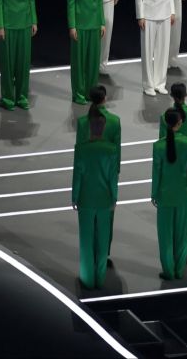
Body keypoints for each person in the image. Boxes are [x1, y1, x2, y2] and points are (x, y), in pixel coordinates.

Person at [72, 105, 119, 289]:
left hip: (85, 199)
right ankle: (99, 278)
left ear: (90, 128)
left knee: (86, 240)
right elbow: (112, 178)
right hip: (104, 199)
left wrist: (74, 197)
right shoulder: (111, 150)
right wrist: (114, 199)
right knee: (102, 240)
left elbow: (78, 176)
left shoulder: (82, 149)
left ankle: (87, 278)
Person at [152, 108, 187, 280]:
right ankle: (179, 270)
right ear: (180, 123)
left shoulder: (158, 146)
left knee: (165, 236)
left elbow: (156, 173)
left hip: (164, 195)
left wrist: (154, 194)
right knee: (182, 234)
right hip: (183, 195)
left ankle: (168, 271)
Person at [135, 0, 175, 96]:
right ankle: (148, 84)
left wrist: (172, 11)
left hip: (165, 12)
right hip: (149, 13)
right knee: (148, 50)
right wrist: (140, 16)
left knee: (163, 50)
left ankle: (160, 82)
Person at [68, 0, 106, 105]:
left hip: (95, 23)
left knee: (93, 61)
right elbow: (70, 3)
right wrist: (72, 26)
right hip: (80, 23)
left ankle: (91, 92)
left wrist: (102, 22)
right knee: (79, 61)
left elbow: (98, 0)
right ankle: (78, 93)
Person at [159, 83, 187, 169]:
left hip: (171, 160)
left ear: (171, 96)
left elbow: (163, 141)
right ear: (185, 95)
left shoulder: (165, 116)